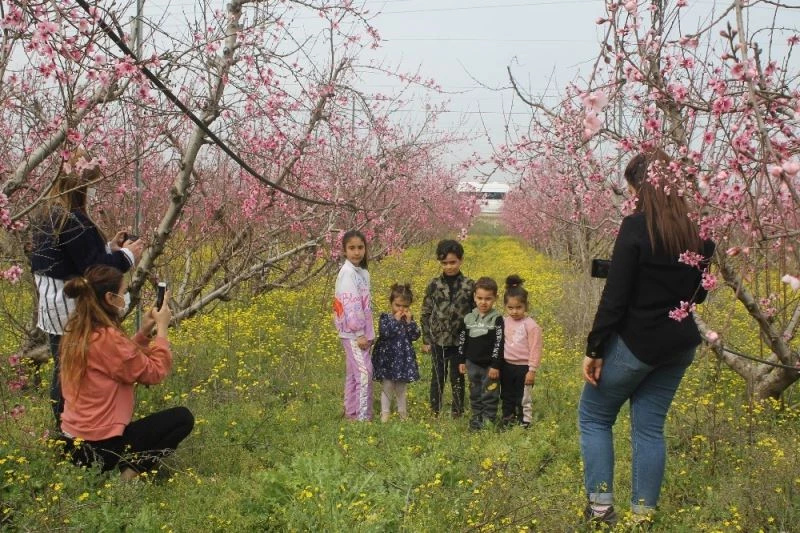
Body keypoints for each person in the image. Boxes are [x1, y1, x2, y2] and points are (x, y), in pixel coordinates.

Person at [579, 150, 715, 525]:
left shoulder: (636, 227)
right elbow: (698, 294)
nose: (632, 196)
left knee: (594, 415)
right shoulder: (701, 233)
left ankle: (601, 508)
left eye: (633, 188)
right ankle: (642, 515)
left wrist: (594, 348)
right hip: (679, 346)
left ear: (643, 187)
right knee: (650, 427)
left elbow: (615, 297)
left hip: (635, 344)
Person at [29, 150, 144, 425]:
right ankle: (71, 430)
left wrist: (109, 248)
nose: (93, 191)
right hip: (70, 311)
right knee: (70, 372)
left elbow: (74, 259)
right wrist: (128, 256)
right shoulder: (71, 221)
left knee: (64, 368)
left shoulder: (49, 216)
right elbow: (94, 270)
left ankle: (69, 429)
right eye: (91, 185)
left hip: (53, 310)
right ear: (81, 186)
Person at [58, 265, 193, 479]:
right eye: (123, 293)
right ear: (110, 298)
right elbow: (155, 372)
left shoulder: (77, 331)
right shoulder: (108, 338)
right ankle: (125, 478)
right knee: (182, 418)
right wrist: (162, 329)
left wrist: (146, 329)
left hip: (71, 443)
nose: (125, 298)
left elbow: (118, 360)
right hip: (99, 447)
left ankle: (113, 471)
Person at [421, 239, 474, 418]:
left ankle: (457, 411)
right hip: (438, 339)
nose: (449, 266)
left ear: (461, 260)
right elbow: (426, 312)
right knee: (437, 376)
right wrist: (427, 339)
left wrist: (473, 340)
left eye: (453, 262)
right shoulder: (434, 285)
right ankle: (434, 410)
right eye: (444, 263)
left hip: (460, 341)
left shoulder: (469, 285)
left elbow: (475, 314)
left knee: (457, 376)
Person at [333, 230, 374, 421]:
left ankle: (351, 413)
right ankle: (362, 418)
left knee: (353, 373)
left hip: (359, 332)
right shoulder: (347, 273)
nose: (356, 252)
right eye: (351, 248)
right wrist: (359, 333)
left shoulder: (362, 272)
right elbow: (351, 305)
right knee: (365, 373)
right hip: (353, 333)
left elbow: (365, 305)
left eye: (360, 247)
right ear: (344, 251)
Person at [457, 277, 504, 431]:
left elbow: (499, 342)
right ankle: (477, 419)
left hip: (490, 366)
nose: (483, 302)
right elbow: (462, 340)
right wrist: (462, 360)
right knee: (475, 393)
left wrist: (496, 365)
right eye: (480, 298)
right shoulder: (469, 318)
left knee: (490, 394)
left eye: (488, 299)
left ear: (495, 298)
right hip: (472, 364)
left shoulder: (497, 319)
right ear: (474, 297)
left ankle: (489, 420)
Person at [371, 283, 421, 422]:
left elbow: (415, 336)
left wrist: (410, 322)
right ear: (391, 303)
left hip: (403, 359)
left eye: (405, 306)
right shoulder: (385, 318)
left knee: (401, 388)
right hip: (388, 359)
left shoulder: (409, 320)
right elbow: (385, 333)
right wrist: (395, 321)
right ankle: (385, 413)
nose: (401, 309)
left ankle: (402, 413)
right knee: (387, 386)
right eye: (397, 305)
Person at [500, 275, 542, 429]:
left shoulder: (531, 326)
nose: (514, 311)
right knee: (507, 394)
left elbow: (535, 349)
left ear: (526, 306)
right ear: (505, 306)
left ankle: (525, 420)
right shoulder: (504, 322)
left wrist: (532, 370)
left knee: (523, 395)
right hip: (507, 365)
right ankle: (507, 417)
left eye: (518, 307)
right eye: (510, 308)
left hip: (524, 367)